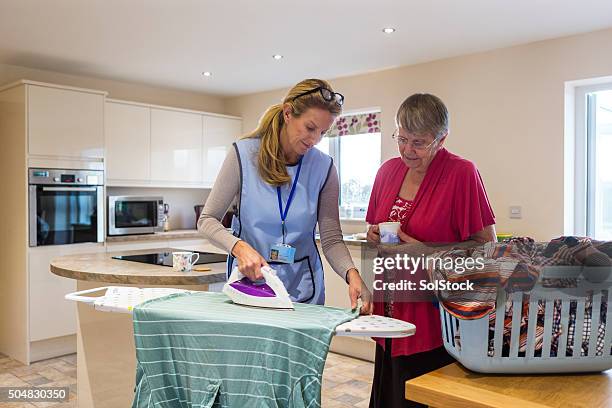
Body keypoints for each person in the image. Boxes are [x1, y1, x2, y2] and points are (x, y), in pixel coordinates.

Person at [198, 78, 372, 313]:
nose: (315, 140)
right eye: (310, 128)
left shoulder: (324, 168)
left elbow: (330, 238)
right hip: (252, 285)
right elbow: (207, 220)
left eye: (323, 132)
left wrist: (352, 274)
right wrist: (239, 248)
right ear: (288, 113)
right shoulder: (243, 155)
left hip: (305, 290)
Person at [366, 93, 496, 407]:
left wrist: (426, 251)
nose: (407, 150)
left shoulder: (461, 173)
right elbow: (377, 232)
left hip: (434, 319)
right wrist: (373, 236)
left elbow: (487, 248)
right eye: (402, 138)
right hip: (390, 313)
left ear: (441, 138)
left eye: (419, 143)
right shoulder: (387, 172)